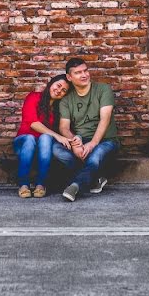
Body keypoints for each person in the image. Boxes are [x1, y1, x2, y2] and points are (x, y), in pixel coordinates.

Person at [53, 57, 120, 202]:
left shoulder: (103, 89)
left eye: (85, 71)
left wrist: (93, 143)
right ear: (69, 77)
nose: (84, 75)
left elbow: (105, 118)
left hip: (105, 140)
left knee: (96, 155)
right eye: (78, 73)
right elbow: (63, 127)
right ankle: (94, 178)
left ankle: (75, 186)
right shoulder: (66, 99)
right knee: (56, 150)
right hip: (81, 140)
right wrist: (75, 143)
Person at [13, 74, 73, 198]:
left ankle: (41, 184)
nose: (59, 91)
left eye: (64, 90)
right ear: (51, 83)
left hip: (44, 149)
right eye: (58, 85)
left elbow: (63, 128)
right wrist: (57, 136)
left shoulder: (58, 109)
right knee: (30, 138)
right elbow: (33, 123)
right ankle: (24, 184)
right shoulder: (34, 97)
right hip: (24, 144)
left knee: (45, 138)